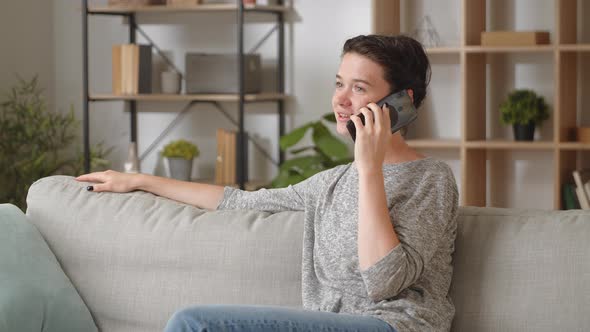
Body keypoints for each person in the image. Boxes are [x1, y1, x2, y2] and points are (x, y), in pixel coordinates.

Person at [76, 34, 459, 332]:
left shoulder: (430, 179)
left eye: (359, 88)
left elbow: (383, 281)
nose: (340, 100)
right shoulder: (331, 182)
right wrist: (141, 179)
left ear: (400, 102)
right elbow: (240, 201)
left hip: (394, 326)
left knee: (195, 324)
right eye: (339, 83)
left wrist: (369, 170)